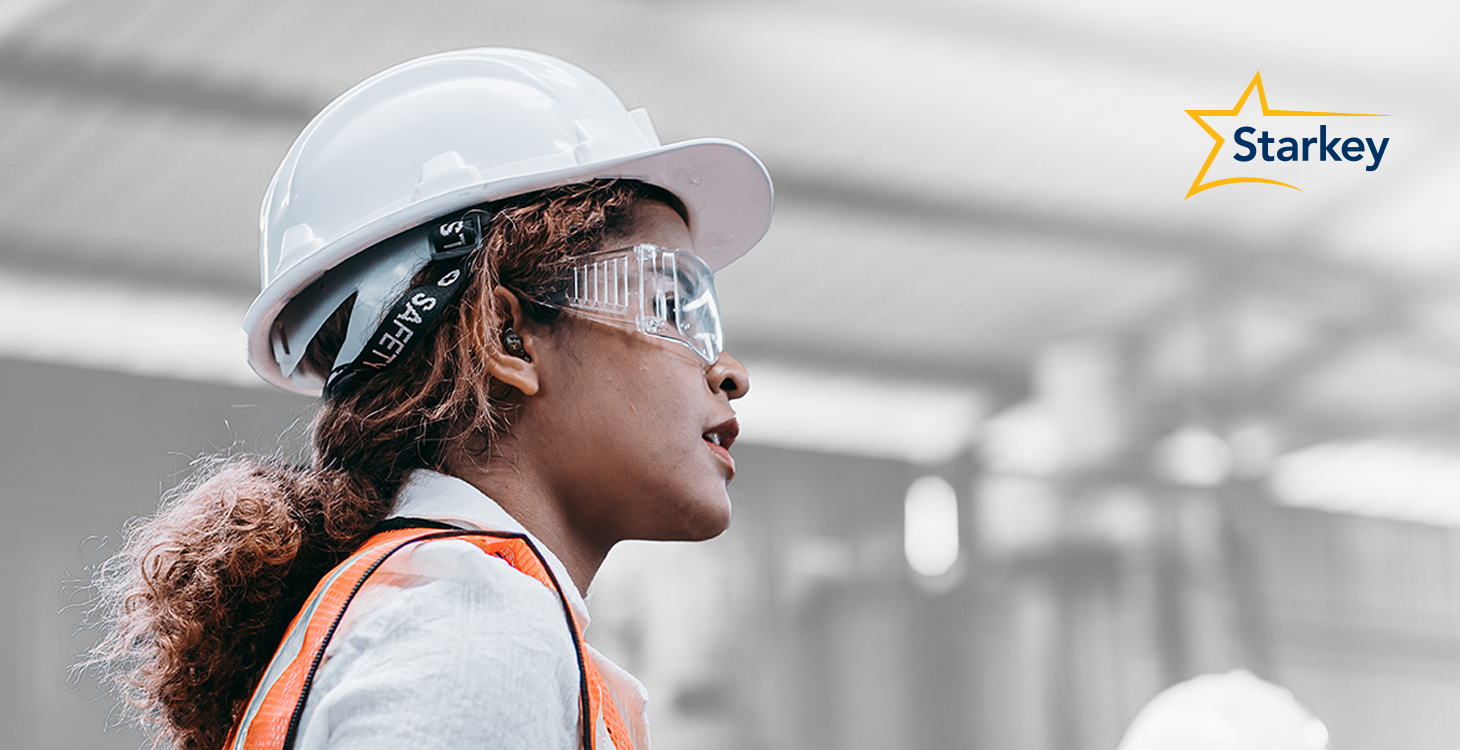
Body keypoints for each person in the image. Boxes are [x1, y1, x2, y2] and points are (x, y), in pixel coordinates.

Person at [80, 48, 773, 750]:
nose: (729, 372)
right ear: (509, 337)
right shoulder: (478, 629)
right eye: (669, 304)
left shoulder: (429, 607)